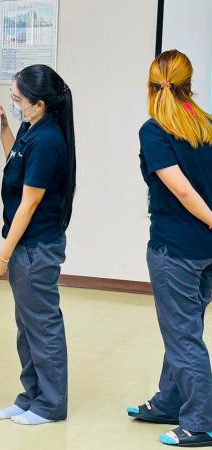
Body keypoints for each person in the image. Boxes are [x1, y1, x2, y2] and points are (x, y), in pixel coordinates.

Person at [126, 49, 212, 448]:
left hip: (175, 251)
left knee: (182, 335)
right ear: (189, 85)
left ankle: (201, 423)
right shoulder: (207, 126)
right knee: (184, 328)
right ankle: (169, 402)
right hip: (206, 250)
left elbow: (181, 189)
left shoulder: (154, 130)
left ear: (151, 86)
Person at [0, 64, 76, 425]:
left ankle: (51, 405)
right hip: (26, 245)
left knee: (42, 325)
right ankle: (31, 396)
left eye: (18, 99)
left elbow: (30, 202)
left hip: (36, 248)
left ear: (39, 104)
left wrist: (3, 255)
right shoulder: (30, 128)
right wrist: (5, 130)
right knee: (27, 326)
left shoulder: (48, 141)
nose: (14, 103)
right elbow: (16, 165)